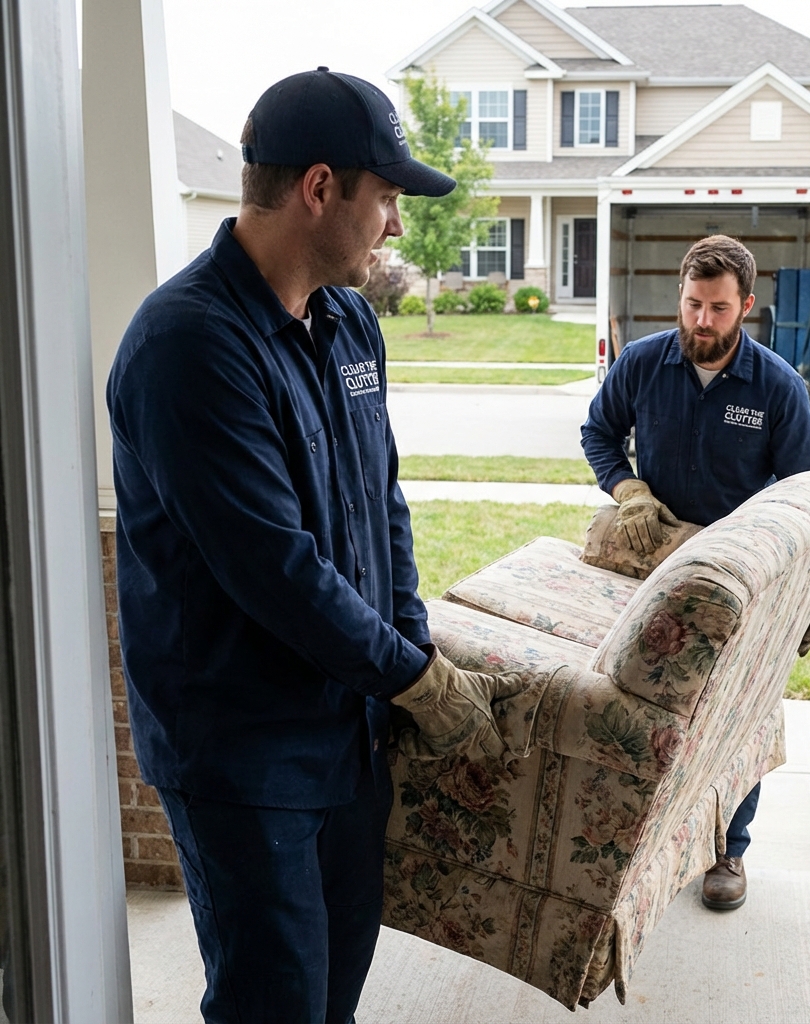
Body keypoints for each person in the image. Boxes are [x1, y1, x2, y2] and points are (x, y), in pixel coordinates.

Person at [107, 69, 521, 1024]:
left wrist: (411, 654)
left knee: (333, 993)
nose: (397, 225)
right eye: (387, 198)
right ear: (321, 188)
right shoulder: (189, 345)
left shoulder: (349, 321)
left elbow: (383, 504)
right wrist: (415, 682)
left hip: (349, 733)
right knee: (275, 1002)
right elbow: (276, 569)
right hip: (245, 759)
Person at [581, 234, 810, 912]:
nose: (701, 320)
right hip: (655, 565)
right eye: (693, 304)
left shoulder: (777, 388)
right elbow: (598, 433)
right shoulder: (642, 364)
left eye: (718, 308)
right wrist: (628, 490)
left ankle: (729, 849)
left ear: (745, 307)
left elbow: (808, 493)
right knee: (646, 709)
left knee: (736, 715)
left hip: (740, 577)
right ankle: (642, 843)